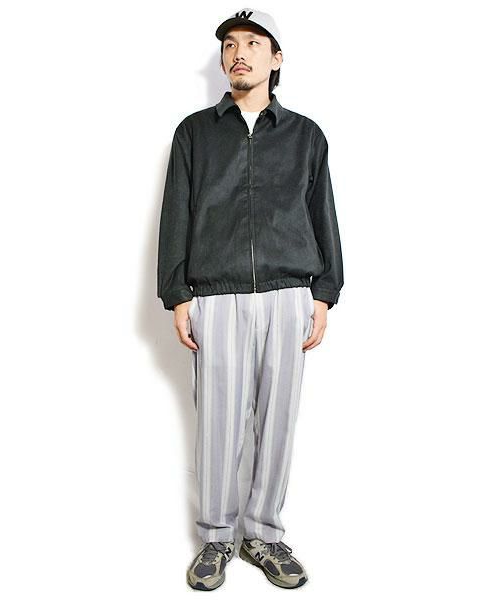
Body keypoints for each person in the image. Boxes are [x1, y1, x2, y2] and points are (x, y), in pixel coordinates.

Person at [156, 8, 344, 590]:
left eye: (254, 43)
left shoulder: (305, 135)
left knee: (278, 420)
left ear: (276, 58)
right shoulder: (195, 133)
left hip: (289, 296)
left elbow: (323, 214)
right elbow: (176, 212)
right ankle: (217, 537)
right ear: (222, 60)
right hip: (216, 295)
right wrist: (176, 292)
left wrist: (325, 292)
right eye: (230, 45)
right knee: (218, 422)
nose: (240, 53)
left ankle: (263, 534)